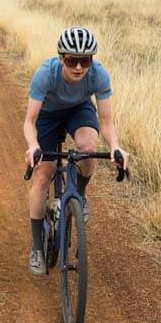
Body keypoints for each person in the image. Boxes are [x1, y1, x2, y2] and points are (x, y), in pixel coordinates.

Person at [23, 26, 129, 275]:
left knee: (89, 149)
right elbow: (29, 121)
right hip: (48, 115)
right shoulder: (45, 75)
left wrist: (115, 147)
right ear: (62, 58)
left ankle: (79, 196)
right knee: (42, 176)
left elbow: (106, 122)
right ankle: (37, 247)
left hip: (79, 109)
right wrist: (33, 146)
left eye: (85, 60)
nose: (79, 67)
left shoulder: (99, 75)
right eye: (72, 60)